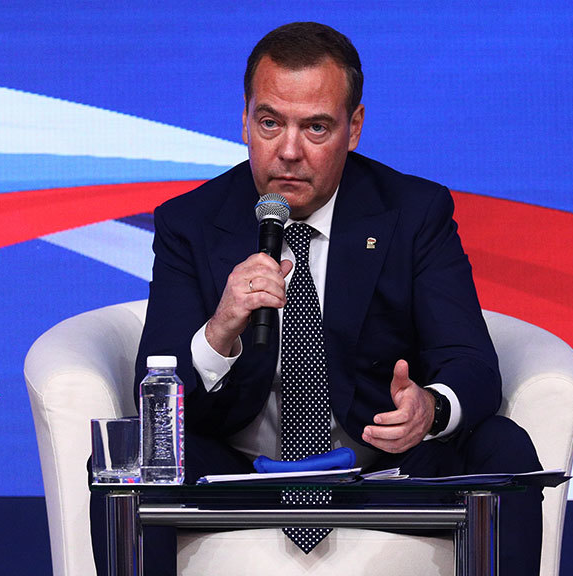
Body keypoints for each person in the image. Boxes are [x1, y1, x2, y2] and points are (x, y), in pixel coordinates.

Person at [94, 21, 543, 576]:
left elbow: (471, 362)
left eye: (316, 127)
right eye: (269, 123)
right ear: (244, 121)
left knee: (503, 445)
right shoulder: (190, 222)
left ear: (354, 128)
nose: (288, 152)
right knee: (128, 459)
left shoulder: (413, 213)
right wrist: (220, 331)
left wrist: (429, 408)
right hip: (239, 472)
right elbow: (156, 401)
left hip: (383, 469)